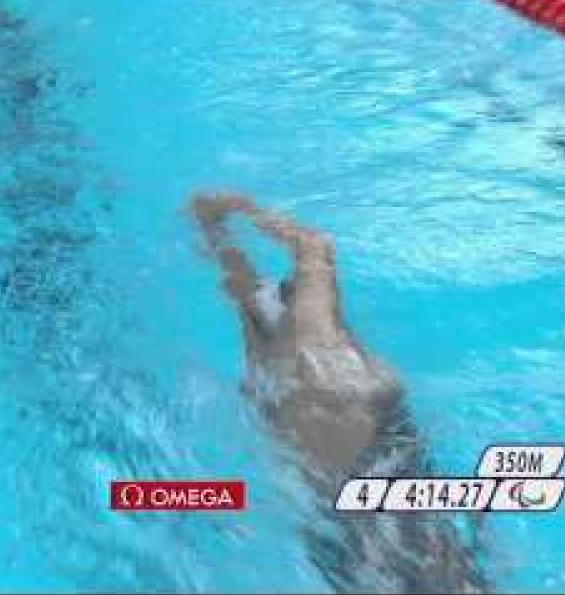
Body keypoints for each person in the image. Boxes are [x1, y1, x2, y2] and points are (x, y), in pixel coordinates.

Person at [192, 192, 487, 593]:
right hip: (366, 452)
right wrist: (237, 204)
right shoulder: (320, 342)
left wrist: (210, 224)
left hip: (330, 497)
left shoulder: (262, 345)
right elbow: (316, 247)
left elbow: (238, 280)